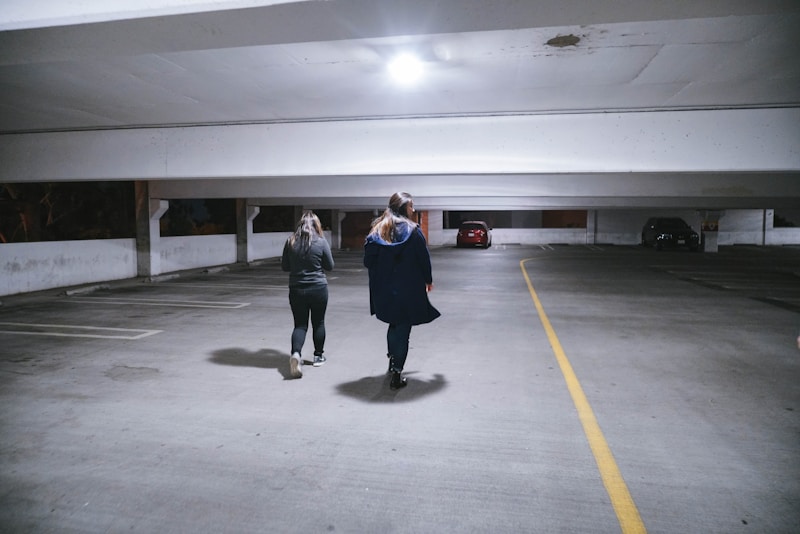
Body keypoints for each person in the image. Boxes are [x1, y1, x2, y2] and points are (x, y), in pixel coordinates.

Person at [364, 192, 441, 389]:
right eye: (411, 206)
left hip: (384, 288)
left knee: (393, 323)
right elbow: (423, 259)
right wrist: (428, 280)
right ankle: (397, 373)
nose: (413, 210)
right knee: (404, 328)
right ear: (403, 207)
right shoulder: (414, 231)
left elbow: (368, 261)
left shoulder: (377, 231)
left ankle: (392, 360)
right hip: (408, 288)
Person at [281, 210, 334, 379]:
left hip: (297, 288)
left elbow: (285, 267)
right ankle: (318, 356)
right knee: (318, 322)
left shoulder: (291, 241)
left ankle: (296, 354)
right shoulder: (321, 241)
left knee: (300, 325)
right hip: (318, 288)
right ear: (316, 225)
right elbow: (330, 266)